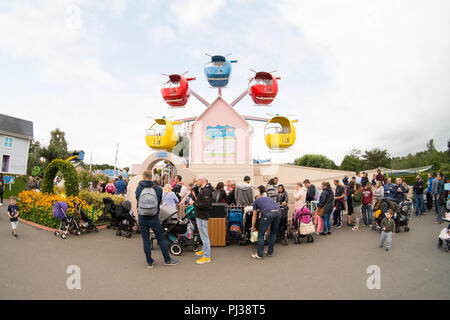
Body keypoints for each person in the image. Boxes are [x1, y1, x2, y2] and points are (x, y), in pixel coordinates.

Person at [136, 170, 179, 268]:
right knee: (161, 237)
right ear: (152, 177)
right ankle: (167, 260)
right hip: (154, 217)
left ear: (143, 176)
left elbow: (138, 200)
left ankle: (150, 262)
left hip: (142, 217)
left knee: (146, 239)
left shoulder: (139, 188)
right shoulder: (157, 188)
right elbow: (159, 202)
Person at [189, 176, 213, 264]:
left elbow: (206, 204)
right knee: (202, 235)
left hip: (203, 215)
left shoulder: (206, 190)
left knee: (205, 236)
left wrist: (194, 203)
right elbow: (200, 200)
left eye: (197, 181)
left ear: (201, 180)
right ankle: (204, 250)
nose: (196, 183)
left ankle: (207, 256)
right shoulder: (202, 190)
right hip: (199, 215)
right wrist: (195, 191)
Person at [250, 195, 282, 259]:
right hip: (278, 213)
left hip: (268, 213)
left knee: (261, 234)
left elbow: (254, 216)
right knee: (273, 233)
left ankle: (260, 255)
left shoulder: (256, 202)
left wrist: (252, 227)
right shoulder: (268, 198)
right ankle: (270, 252)